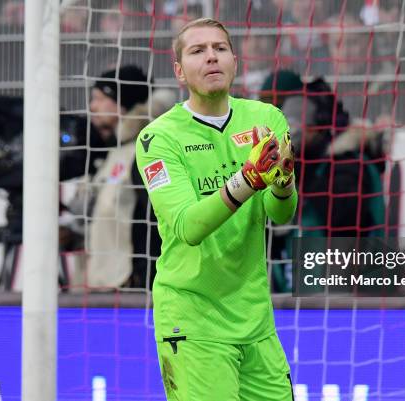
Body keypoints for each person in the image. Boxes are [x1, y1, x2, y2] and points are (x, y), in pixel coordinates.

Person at [135, 18, 297, 401]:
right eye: (197, 51)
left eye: (219, 48)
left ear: (234, 62)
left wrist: (283, 182)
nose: (211, 57)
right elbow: (188, 227)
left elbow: (281, 214)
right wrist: (248, 179)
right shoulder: (157, 138)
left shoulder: (266, 119)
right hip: (193, 320)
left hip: (255, 318)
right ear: (179, 71)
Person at [63, 64, 174, 289]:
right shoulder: (108, 151)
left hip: (130, 283)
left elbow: (152, 220)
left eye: (101, 98)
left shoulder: (144, 152)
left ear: (123, 104)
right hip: (99, 281)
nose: (92, 107)